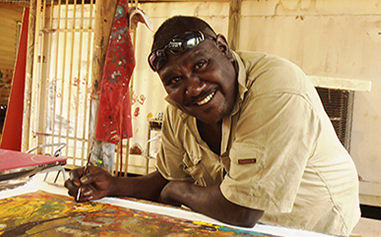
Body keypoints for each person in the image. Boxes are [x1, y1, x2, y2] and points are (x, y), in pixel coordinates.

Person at [65, 16, 360, 236]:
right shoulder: (179, 110)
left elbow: (242, 210)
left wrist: (178, 191)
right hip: (231, 221)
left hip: (309, 223)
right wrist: (113, 185)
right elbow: (166, 179)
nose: (193, 88)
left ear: (223, 48)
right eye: (175, 80)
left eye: (201, 65)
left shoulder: (277, 89)